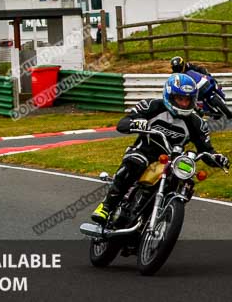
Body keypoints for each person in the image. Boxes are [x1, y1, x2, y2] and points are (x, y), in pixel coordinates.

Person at [91, 73, 229, 225]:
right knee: (136, 162)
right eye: (179, 99)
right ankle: (106, 206)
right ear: (169, 96)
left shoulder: (196, 122)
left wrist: (217, 158)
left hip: (170, 160)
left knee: (185, 180)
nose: (183, 104)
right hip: (144, 151)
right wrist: (136, 123)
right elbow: (123, 123)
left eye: (187, 100)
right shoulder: (152, 106)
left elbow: (206, 148)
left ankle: (162, 215)